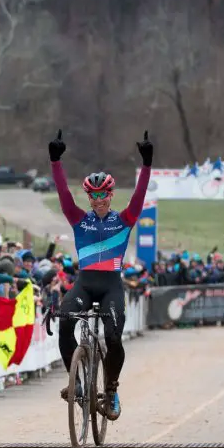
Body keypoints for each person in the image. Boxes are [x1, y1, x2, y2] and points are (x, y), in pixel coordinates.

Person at [47, 128, 153, 421]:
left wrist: (146, 166)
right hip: (85, 284)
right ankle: (77, 383)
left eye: (103, 194)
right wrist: (55, 162)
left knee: (114, 338)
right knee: (65, 321)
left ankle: (112, 388)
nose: (98, 200)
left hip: (110, 288)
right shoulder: (79, 219)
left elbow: (140, 196)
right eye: (93, 196)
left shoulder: (125, 219)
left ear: (110, 194)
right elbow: (63, 194)